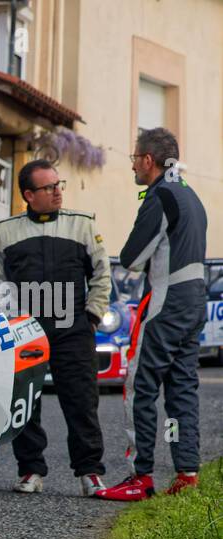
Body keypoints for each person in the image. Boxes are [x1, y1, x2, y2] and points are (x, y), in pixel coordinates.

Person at [94, 128, 209, 501]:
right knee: (181, 390)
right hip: (194, 301)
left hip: (166, 301)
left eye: (133, 159)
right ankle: (186, 472)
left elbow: (131, 257)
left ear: (148, 160)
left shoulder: (161, 195)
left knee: (138, 386)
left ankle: (139, 476)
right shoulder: (191, 195)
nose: (132, 167)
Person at [0, 159, 111, 496]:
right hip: (26, 329)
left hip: (72, 326)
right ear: (29, 195)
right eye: (48, 187)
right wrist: (9, 320)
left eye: (60, 185)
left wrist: (91, 316)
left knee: (81, 400)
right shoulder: (6, 231)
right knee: (25, 400)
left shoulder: (83, 225)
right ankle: (30, 470)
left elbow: (102, 273)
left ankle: (90, 472)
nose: (58, 192)